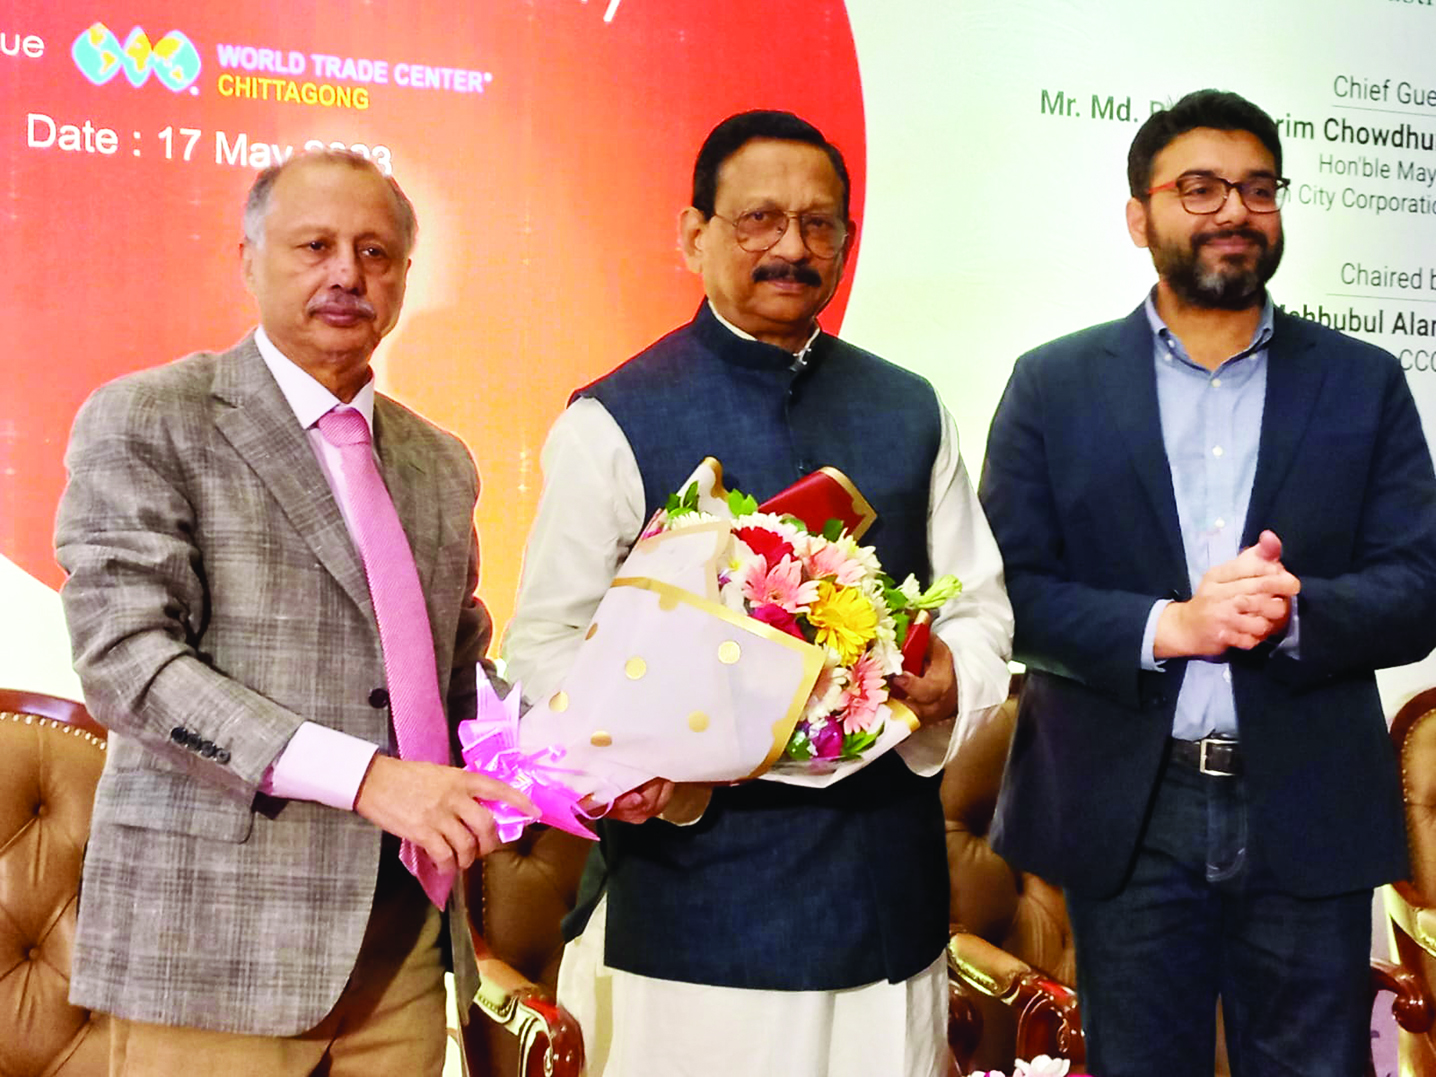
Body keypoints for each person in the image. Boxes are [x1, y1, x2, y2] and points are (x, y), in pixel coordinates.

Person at [503, 109, 1013, 1076]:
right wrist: (634, 764)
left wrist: (955, 678)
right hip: (692, 907)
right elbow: (544, 647)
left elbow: (982, 610)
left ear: (847, 242)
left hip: (887, 898)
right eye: (759, 220)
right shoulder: (614, 418)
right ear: (694, 234)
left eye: (820, 224)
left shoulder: (911, 408)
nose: (792, 248)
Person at [979, 89, 1436, 1076]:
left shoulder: (1361, 382)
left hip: (1306, 800)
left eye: (1258, 189)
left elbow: (1418, 582)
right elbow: (1010, 592)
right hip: (1129, 807)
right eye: (1200, 188)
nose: (1234, 210)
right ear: (1138, 216)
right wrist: (1167, 626)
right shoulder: (1053, 384)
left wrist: (1294, 613)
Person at [55, 149, 533, 1076]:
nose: (347, 272)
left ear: (403, 275)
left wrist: (601, 757)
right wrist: (370, 779)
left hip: (402, 947)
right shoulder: (151, 417)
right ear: (247, 259)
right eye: (315, 246)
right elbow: (128, 661)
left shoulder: (440, 461)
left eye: (375, 252)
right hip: (214, 947)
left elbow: (459, 677)